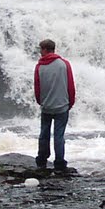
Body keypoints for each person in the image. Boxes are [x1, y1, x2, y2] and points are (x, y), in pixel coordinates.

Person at [34, 38, 75, 171]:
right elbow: (70, 85)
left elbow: (37, 87)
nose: (40, 52)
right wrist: (70, 102)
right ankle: (59, 162)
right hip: (62, 106)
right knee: (59, 135)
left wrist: (41, 102)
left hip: (46, 106)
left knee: (44, 133)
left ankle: (41, 159)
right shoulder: (64, 64)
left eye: (41, 49)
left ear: (45, 49)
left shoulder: (39, 66)